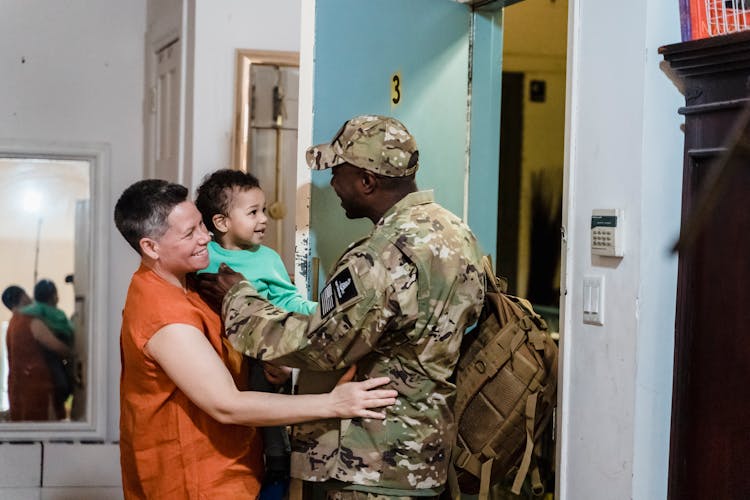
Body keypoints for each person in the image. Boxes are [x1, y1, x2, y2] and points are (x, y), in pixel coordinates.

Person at [197, 115, 486, 499]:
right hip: (424, 449)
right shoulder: (454, 231)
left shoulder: (382, 255)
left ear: (367, 181)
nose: (331, 183)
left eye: (338, 172)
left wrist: (237, 297)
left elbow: (321, 345)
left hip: (371, 460)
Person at [113, 178, 397, 499]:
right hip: (193, 478)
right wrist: (334, 403)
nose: (206, 237)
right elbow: (227, 405)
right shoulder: (163, 315)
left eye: (202, 226)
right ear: (150, 246)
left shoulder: (193, 282)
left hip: (229, 465)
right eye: (190, 233)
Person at [195, 168, 318, 499]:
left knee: (268, 416)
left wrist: (321, 313)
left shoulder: (267, 259)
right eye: (253, 212)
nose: (264, 219)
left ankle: (276, 461)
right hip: (213, 361)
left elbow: (288, 300)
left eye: (263, 210)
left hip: (256, 353)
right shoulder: (202, 257)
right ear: (221, 222)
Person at [3, 284, 71, 421]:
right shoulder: (30, 321)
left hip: (17, 389)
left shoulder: (11, 324)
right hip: (38, 388)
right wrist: (75, 352)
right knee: (45, 435)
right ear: (23, 297)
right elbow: (56, 347)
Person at [21, 279, 76, 416]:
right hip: (53, 350)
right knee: (62, 383)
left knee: (61, 378)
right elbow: (70, 329)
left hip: (49, 353)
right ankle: (60, 399)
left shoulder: (34, 309)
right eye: (56, 294)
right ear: (53, 296)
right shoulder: (55, 313)